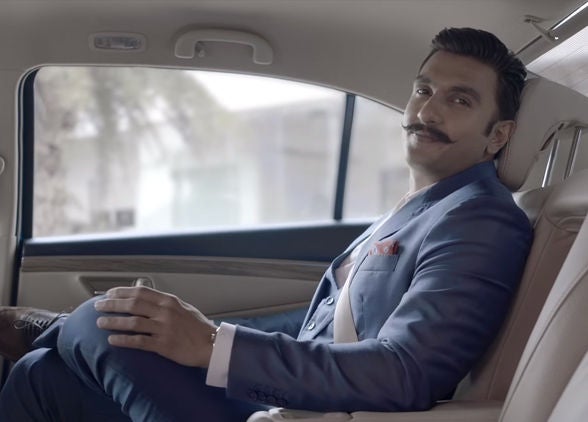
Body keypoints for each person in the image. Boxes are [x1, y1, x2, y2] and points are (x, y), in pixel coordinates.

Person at [0, 27, 532, 421]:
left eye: (459, 100)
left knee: (101, 324)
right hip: (293, 404)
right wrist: (192, 330)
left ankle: (51, 329)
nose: (429, 111)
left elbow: (404, 373)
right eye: (423, 90)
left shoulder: (480, 218)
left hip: (326, 414)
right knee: (41, 379)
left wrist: (211, 344)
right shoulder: (418, 209)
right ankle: (59, 335)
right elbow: (317, 327)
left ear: (498, 136)